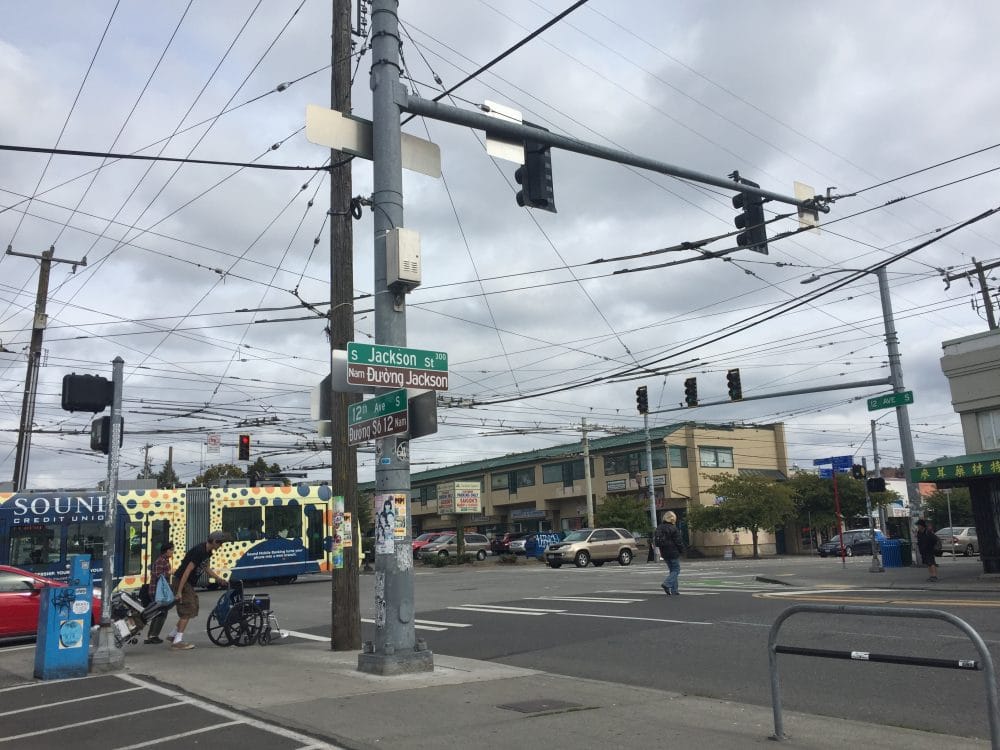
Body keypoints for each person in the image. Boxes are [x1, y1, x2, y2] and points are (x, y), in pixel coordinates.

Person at [166, 531, 229, 650]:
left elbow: (206, 567)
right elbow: (187, 571)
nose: (221, 546)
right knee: (188, 608)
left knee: (192, 607)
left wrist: (218, 579)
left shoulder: (208, 552)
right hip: (183, 581)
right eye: (220, 543)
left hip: (187, 583)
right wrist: (179, 591)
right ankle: (177, 641)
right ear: (215, 541)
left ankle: (173, 635)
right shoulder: (199, 551)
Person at [144, 542, 175, 644]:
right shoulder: (161, 561)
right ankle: (153, 636)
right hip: (157, 591)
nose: (173, 552)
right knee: (160, 613)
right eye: (171, 550)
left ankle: (152, 635)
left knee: (159, 613)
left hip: (158, 591)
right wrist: (170, 572)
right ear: (167, 551)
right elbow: (158, 575)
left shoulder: (164, 560)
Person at [655, 511, 684, 596]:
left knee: (672, 571)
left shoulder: (659, 527)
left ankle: (675, 590)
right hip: (673, 551)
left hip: (664, 552)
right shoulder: (673, 528)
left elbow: (657, 541)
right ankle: (667, 584)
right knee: (676, 570)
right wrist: (682, 550)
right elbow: (678, 541)